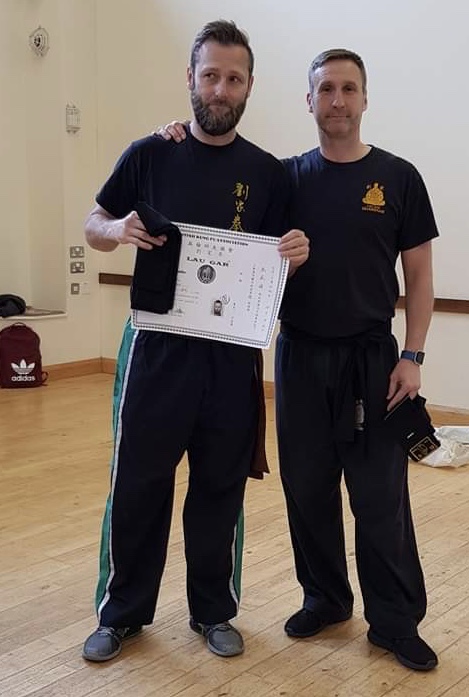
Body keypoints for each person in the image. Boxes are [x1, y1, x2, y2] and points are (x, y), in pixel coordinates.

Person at [157, 48, 439, 672]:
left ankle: (394, 622)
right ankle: (326, 599)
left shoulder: (398, 178)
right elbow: (219, 199)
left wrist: (413, 355)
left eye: (348, 89)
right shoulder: (284, 180)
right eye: (326, 90)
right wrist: (172, 137)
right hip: (300, 357)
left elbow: (418, 277)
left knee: (379, 495)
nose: (337, 100)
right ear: (307, 101)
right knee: (306, 488)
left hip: (373, 361)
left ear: (364, 99)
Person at [81, 19, 308, 663]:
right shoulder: (150, 153)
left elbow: (281, 257)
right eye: (209, 74)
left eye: (233, 77)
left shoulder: (268, 173)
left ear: (249, 87)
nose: (220, 87)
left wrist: (296, 251)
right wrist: (117, 227)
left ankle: (214, 610)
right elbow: (92, 221)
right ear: (190, 78)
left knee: (220, 487)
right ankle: (121, 613)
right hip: (155, 349)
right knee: (138, 484)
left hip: (232, 359)